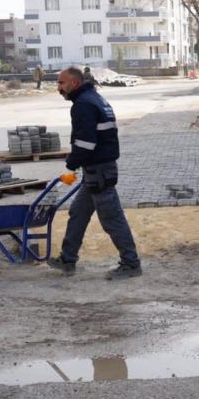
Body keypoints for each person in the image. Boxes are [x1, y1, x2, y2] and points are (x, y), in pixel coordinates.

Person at [48, 67, 142, 278]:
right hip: (96, 170)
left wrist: (70, 166)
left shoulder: (83, 105)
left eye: (61, 83)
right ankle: (67, 259)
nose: (58, 88)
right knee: (78, 213)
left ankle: (131, 264)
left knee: (112, 218)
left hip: (99, 171)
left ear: (74, 83)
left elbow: (85, 143)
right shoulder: (95, 99)